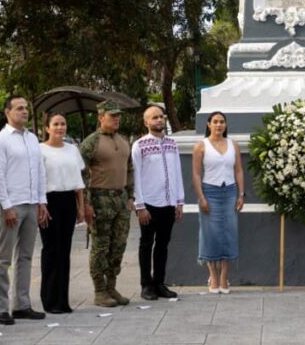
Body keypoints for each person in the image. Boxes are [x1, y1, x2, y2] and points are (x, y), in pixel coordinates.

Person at [0, 95, 48, 325]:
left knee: (25, 256)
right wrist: (6, 205)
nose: (24, 112)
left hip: (32, 204)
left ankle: (22, 304)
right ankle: (0, 307)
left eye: (26, 108)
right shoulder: (0, 141)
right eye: (19, 108)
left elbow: (40, 171)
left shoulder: (32, 139)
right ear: (7, 112)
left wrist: (42, 201)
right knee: (3, 258)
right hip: (11, 206)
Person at [79, 100, 134, 308]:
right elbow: (81, 174)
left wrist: (130, 195)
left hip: (120, 199)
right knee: (100, 246)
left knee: (118, 245)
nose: (116, 118)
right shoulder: (91, 142)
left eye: (118, 115)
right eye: (112, 116)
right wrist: (86, 203)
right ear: (101, 117)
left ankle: (111, 286)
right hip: (100, 199)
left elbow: (129, 170)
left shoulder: (123, 140)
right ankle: (99, 291)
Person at [132, 105, 186, 301]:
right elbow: (136, 176)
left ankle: (159, 282)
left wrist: (179, 202)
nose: (159, 120)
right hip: (149, 203)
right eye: (154, 117)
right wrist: (140, 206)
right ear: (146, 122)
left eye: (161, 117)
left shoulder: (172, 144)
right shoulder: (139, 145)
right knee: (146, 244)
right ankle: (146, 285)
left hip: (169, 202)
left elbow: (178, 173)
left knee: (163, 244)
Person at [192, 111, 244, 294]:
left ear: (226, 125)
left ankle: (224, 277)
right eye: (215, 122)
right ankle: (213, 275)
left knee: (229, 232)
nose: (219, 125)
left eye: (222, 122)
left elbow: (238, 171)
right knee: (210, 234)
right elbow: (196, 174)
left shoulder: (233, 145)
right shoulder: (201, 146)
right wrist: (202, 198)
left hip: (229, 192)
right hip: (209, 191)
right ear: (208, 124)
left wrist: (241, 194)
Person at [39, 113, 86, 313]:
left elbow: (78, 181)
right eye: (55, 124)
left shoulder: (73, 150)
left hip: (68, 200)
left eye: (63, 123)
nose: (60, 127)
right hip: (49, 201)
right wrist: (40, 205)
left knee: (65, 250)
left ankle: (62, 300)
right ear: (47, 128)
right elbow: (38, 180)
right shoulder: (40, 150)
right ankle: (49, 299)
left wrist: (81, 206)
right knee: (51, 249)